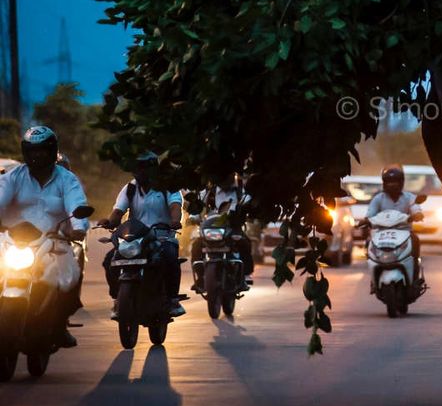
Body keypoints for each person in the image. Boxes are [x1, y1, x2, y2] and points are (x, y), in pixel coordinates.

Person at [0, 126, 90, 347]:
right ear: (26, 152)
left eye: (42, 150)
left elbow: (76, 203)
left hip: (52, 240)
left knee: (70, 276)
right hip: (13, 241)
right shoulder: (13, 177)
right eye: (32, 150)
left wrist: (78, 227)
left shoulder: (67, 180)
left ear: (52, 151)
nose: (37, 155)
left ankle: (59, 326)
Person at [100, 152, 185, 318]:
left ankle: (172, 300)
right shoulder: (130, 189)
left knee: (170, 257)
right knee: (109, 260)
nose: (141, 172)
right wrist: (110, 222)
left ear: (154, 168)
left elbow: (175, 206)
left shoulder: (168, 186)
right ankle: (117, 298)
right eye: (138, 168)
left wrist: (175, 220)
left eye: (145, 167)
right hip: (135, 239)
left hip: (162, 237)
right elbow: (118, 211)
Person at [189, 175, 255, 293]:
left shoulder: (241, 192)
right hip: (212, 229)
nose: (224, 176)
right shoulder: (208, 192)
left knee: (245, 243)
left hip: (233, 228)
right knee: (196, 246)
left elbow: (250, 205)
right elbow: (197, 207)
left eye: (226, 173)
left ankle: (244, 275)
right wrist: (193, 216)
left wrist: (249, 212)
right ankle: (201, 278)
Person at [366, 165, 424, 260]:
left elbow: (415, 207)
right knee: (369, 241)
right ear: (384, 183)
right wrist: (366, 220)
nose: (392, 185)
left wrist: (417, 214)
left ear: (401, 182)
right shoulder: (378, 198)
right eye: (389, 182)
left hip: (405, 231)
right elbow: (370, 214)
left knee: (415, 239)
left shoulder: (409, 197)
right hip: (381, 233)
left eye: (395, 182)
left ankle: (415, 266)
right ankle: (372, 261)